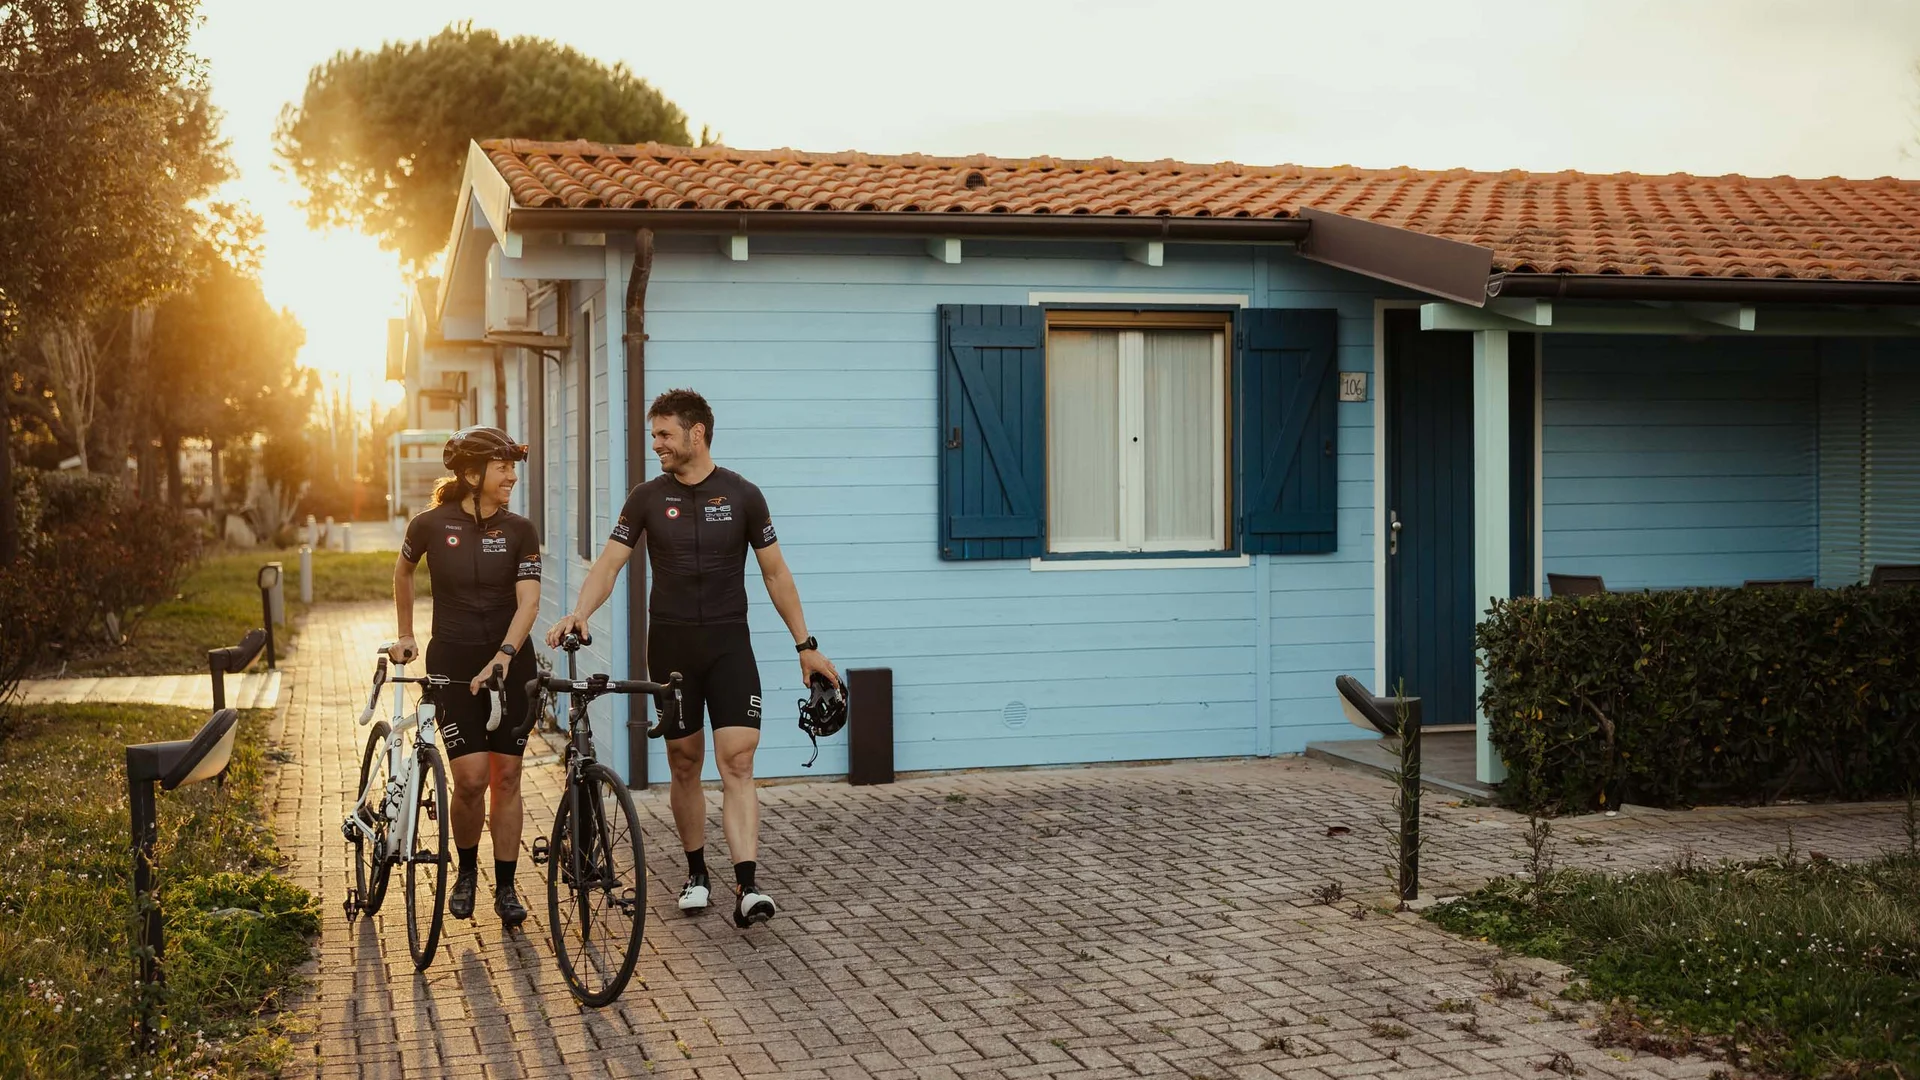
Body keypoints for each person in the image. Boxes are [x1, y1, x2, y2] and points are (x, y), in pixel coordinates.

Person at [547, 388, 837, 929]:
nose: (656, 444)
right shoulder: (646, 498)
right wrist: (580, 612)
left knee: (739, 759)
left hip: (729, 645)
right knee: (684, 761)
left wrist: (806, 646)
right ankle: (696, 872)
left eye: (664, 434)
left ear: (696, 433)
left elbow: (776, 573)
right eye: (654, 435)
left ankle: (748, 885)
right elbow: (610, 564)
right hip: (672, 647)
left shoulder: (744, 495)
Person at [392, 426, 542, 929]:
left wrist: (504, 655)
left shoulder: (520, 530)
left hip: (510, 666)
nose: (511, 476)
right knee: (472, 779)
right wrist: (406, 633)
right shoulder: (430, 525)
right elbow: (403, 571)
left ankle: (506, 887)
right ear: (473, 475)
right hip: (453, 666)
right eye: (503, 468)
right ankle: (467, 872)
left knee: (508, 776)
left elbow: (528, 602)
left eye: (512, 467)